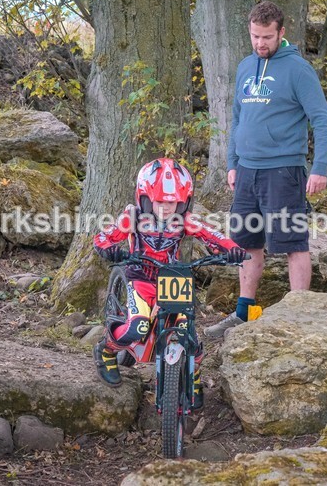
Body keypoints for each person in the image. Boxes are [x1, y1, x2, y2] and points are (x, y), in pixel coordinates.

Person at [205, 1, 327, 338]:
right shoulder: (246, 67)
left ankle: (298, 317)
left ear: (281, 33)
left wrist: (319, 168)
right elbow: (237, 118)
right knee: (247, 243)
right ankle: (244, 313)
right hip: (247, 172)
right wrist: (232, 163)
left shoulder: (298, 70)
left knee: (293, 242)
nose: (260, 43)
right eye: (254, 36)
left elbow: (321, 119)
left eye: (266, 37)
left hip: (283, 171)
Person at [92, 158, 246, 409]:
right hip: (140, 278)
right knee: (138, 327)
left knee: (190, 336)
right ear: (145, 197)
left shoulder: (185, 220)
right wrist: (110, 250)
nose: (166, 207)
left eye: (172, 202)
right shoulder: (132, 216)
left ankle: (194, 375)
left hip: (174, 279)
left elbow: (213, 235)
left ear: (183, 201)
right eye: (160, 201)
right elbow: (102, 238)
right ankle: (106, 349)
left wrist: (233, 250)